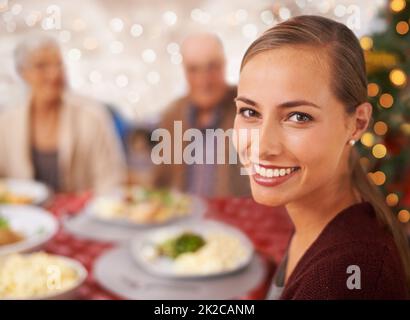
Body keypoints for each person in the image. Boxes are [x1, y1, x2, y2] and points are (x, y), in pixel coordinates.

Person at [234, 15, 409, 299]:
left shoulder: (341, 279)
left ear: (358, 122)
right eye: (250, 112)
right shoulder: (320, 221)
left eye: (298, 117)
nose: (262, 147)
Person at [0, 35, 126, 194]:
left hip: (83, 216)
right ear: (22, 72)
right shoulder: (6, 121)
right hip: (24, 216)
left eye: (58, 64)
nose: (54, 74)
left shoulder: (93, 116)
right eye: (41, 66)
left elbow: (111, 180)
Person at [155, 32, 250, 197]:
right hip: (183, 219)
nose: (204, 80)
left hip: (236, 218)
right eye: (194, 70)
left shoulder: (248, 110)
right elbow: (161, 184)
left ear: (224, 66)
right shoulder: (172, 115)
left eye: (212, 67)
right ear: (184, 72)